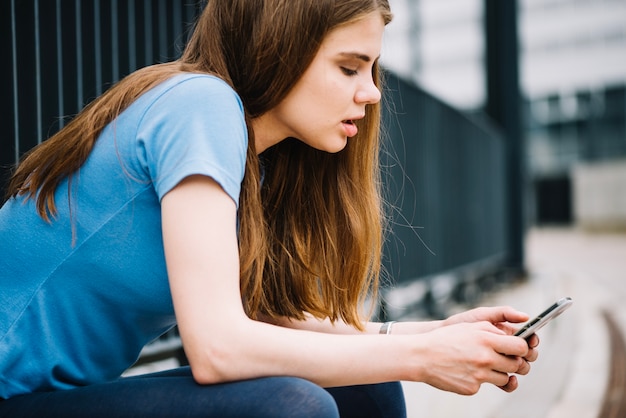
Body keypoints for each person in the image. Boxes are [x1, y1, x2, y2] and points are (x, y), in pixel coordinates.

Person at [0, 0, 539, 417]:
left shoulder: (246, 162)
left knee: (366, 386)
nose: (371, 93)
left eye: (372, 70)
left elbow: (268, 323)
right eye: (350, 68)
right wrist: (426, 361)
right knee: (292, 407)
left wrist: (437, 334)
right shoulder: (201, 106)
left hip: (56, 396)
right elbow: (218, 350)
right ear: (280, 49)